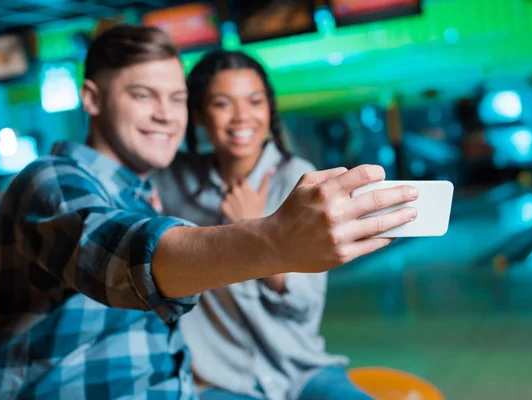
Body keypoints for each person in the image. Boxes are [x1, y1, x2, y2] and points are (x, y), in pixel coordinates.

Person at [0, 24, 419, 399]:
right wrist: (272, 238)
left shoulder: (146, 192)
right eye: (142, 95)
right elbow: (119, 255)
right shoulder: (51, 181)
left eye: (175, 98)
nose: (164, 114)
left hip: (277, 371)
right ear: (92, 99)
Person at [154, 50, 372, 400]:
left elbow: (303, 305)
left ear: (269, 110)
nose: (242, 117)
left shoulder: (299, 179)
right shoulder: (171, 181)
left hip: (300, 369)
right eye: (222, 104)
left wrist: (256, 229)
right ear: (198, 115)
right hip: (217, 377)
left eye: (255, 101)